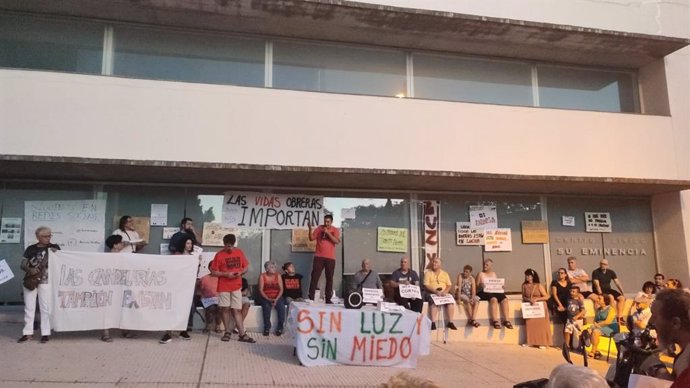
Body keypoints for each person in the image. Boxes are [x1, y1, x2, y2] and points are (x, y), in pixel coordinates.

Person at [209, 234, 256, 343]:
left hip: (236, 286)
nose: (229, 248)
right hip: (224, 286)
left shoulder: (239, 252)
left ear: (234, 244)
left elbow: (246, 267)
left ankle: (242, 334)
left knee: (236, 310)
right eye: (227, 246)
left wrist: (241, 272)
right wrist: (226, 275)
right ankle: (227, 332)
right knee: (225, 309)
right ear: (224, 244)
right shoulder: (219, 255)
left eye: (231, 246)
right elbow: (213, 272)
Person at [18, 227, 60, 344]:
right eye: (45, 236)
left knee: (45, 308)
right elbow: (22, 264)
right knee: (29, 307)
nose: (48, 238)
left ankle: (45, 333)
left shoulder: (54, 248)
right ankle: (27, 333)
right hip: (31, 280)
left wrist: (57, 253)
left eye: (49, 236)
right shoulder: (31, 249)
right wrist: (29, 270)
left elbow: (60, 263)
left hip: (46, 281)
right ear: (38, 237)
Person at [650, 288, 690, 387]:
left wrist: (657, 369)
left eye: (655, 317)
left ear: (675, 323)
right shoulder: (685, 352)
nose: (651, 322)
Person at [160, 237, 196, 343]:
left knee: (187, 309)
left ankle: (183, 330)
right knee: (173, 308)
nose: (189, 245)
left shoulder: (193, 257)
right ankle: (168, 332)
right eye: (187, 243)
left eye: (191, 243)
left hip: (188, 287)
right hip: (177, 287)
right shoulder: (177, 256)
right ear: (183, 244)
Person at [307, 214, 341, 304]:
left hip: (330, 258)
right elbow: (311, 238)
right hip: (319, 256)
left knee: (329, 278)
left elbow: (336, 241)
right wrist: (310, 229)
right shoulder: (319, 228)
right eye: (325, 221)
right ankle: (311, 296)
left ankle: (328, 298)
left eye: (328, 222)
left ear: (332, 222)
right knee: (315, 276)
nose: (326, 223)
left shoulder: (335, 230)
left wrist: (328, 233)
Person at [476, 258, 513, 329]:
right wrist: (481, 284)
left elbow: (496, 284)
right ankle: (495, 320)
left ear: (491, 266)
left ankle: (506, 320)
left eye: (487, 265)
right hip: (484, 292)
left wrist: (501, 286)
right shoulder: (480, 274)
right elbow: (476, 285)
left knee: (504, 299)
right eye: (484, 264)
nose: (485, 266)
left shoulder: (493, 274)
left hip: (493, 291)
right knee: (494, 299)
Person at [423, 258, 457, 331]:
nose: (434, 263)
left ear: (440, 264)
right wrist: (435, 291)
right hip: (432, 292)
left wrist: (445, 292)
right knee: (433, 302)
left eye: (436, 262)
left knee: (450, 302)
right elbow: (426, 285)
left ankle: (450, 322)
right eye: (433, 262)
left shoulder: (445, 273)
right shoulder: (428, 273)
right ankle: (433, 322)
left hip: (443, 292)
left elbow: (449, 285)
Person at [521, 269, 552, 348]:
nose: (527, 277)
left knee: (541, 325)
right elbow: (523, 296)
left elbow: (547, 296)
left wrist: (536, 299)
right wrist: (529, 300)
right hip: (530, 307)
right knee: (530, 324)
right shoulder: (524, 285)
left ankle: (542, 342)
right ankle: (530, 341)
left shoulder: (538, 285)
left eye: (528, 275)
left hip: (540, 307)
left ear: (532, 276)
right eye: (526, 275)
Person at [591, 259, 626, 326]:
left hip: (608, 289)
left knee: (622, 298)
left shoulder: (611, 272)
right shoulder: (595, 272)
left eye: (604, 264)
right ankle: (614, 317)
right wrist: (601, 295)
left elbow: (617, 283)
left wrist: (623, 293)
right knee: (611, 297)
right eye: (601, 264)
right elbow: (597, 285)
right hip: (600, 291)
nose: (602, 265)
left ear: (607, 265)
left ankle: (620, 317)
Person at [587, 293, 619, 359]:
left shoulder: (611, 309)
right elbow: (595, 320)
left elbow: (608, 322)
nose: (597, 299)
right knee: (588, 330)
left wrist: (597, 325)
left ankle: (593, 352)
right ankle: (596, 351)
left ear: (604, 301)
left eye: (599, 298)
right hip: (600, 326)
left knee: (595, 331)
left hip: (611, 327)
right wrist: (595, 325)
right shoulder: (599, 309)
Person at [258, 261, 285, 337]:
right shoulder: (262, 276)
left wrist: (276, 299)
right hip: (266, 296)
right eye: (272, 267)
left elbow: (281, 289)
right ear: (267, 269)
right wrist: (268, 299)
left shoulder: (278, 276)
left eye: (275, 267)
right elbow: (261, 290)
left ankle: (280, 328)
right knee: (266, 307)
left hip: (277, 296)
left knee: (281, 307)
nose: (274, 269)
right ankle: (267, 328)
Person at [199, 262, 221, 334]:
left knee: (219, 307)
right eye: (212, 267)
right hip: (207, 299)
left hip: (219, 299)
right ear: (209, 268)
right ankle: (208, 325)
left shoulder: (221, 278)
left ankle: (218, 325)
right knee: (211, 307)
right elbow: (200, 290)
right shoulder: (204, 278)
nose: (213, 269)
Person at [563, 286, 585, 350]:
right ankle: (567, 346)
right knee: (567, 331)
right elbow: (568, 308)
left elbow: (583, 310)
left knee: (578, 334)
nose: (571, 293)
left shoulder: (579, 301)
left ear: (578, 293)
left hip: (578, 320)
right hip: (569, 320)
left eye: (573, 292)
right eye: (571, 291)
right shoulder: (568, 300)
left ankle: (580, 347)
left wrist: (577, 316)